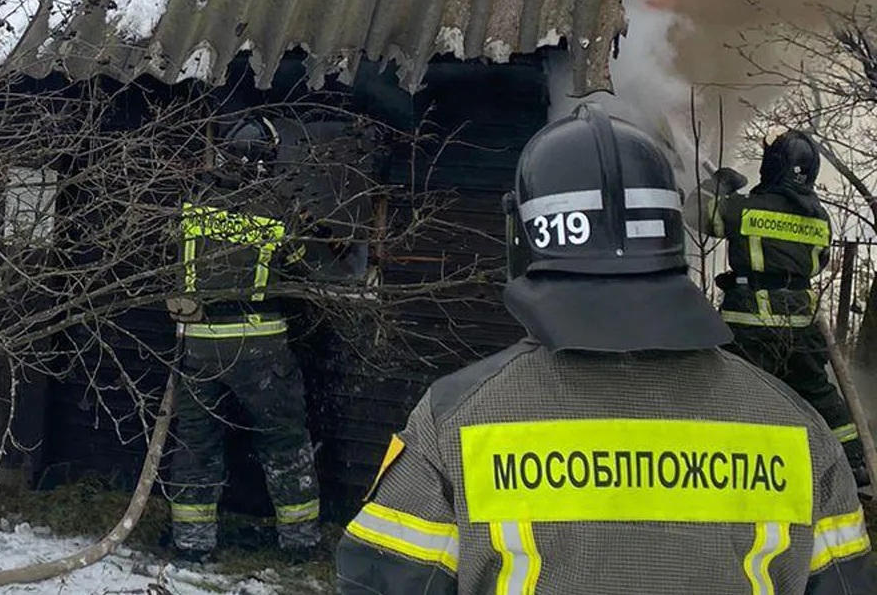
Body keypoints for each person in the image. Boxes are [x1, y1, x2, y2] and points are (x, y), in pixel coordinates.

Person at [336, 103, 873, 595]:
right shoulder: (801, 432)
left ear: (520, 234)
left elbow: (382, 583)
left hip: (748, 318)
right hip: (792, 332)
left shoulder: (451, 420)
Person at [163, 114, 323, 565]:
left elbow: (166, 254)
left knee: (196, 444)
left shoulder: (192, 203)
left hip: (197, 346)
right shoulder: (277, 209)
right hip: (260, 348)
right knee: (284, 442)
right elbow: (303, 267)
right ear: (267, 160)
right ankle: (300, 544)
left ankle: (193, 546)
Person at [688, 127, 869, 488]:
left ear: (773, 166)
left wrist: (719, 183)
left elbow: (696, 213)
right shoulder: (818, 218)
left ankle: (723, 464)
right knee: (817, 391)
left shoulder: (747, 210)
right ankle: (854, 464)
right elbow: (817, 264)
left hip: (749, 325)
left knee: (733, 391)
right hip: (801, 325)